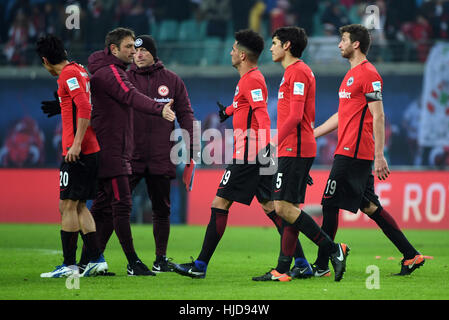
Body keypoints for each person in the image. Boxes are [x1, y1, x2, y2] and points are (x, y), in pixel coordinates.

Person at [173, 29, 313, 280]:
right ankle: (301, 262)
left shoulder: (251, 79)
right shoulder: (248, 79)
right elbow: (244, 104)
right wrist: (228, 111)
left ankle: (200, 265)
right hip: (257, 153)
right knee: (273, 208)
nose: (230, 52)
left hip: (250, 153)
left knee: (220, 203)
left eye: (233, 49)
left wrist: (266, 145)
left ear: (242, 55)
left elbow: (261, 113)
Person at [312, 24, 425, 277]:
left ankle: (321, 265)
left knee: (328, 203)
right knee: (369, 206)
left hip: (354, 152)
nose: (339, 44)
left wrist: (379, 155)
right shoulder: (350, 75)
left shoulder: (369, 74)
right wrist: (314, 133)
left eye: (343, 40)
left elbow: (379, 115)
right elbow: (343, 115)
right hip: (350, 150)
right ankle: (411, 255)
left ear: (356, 44)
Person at [252, 26, 350, 282]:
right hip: (294, 147)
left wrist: (273, 142)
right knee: (290, 208)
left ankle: (332, 249)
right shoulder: (292, 73)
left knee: (282, 207)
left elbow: (295, 116)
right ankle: (283, 270)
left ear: (286, 46)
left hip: (294, 148)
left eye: (274, 42)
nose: (270, 47)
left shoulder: (298, 73)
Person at [85, 27, 176, 276]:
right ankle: (132, 261)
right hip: (113, 152)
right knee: (121, 205)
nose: (134, 51)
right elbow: (131, 96)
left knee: (103, 207)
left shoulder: (106, 72)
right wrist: (160, 109)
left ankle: (88, 259)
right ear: (114, 49)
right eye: (128, 47)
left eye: (135, 47)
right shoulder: (113, 73)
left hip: (112, 150)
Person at [36, 34, 106, 278]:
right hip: (89, 149)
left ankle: (69, 265)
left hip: (79, 151)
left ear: (45, 61)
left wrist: (76, 145)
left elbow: (85, 107)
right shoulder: (79, 69)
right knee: (77, 206)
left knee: (66, 205)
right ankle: (96, 259)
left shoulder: (68, 74)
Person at [125, 35, 195, 272]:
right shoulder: (123, 78)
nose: (139, 54)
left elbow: (186, 114)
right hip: (130, 156)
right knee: (116, 206)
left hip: (160, 156)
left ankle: (160, 259)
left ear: (153, 53)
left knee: (161, 209)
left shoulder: (172, 80)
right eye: (135, 51)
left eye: (144, 50)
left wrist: (192, 150)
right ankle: (98, 257)